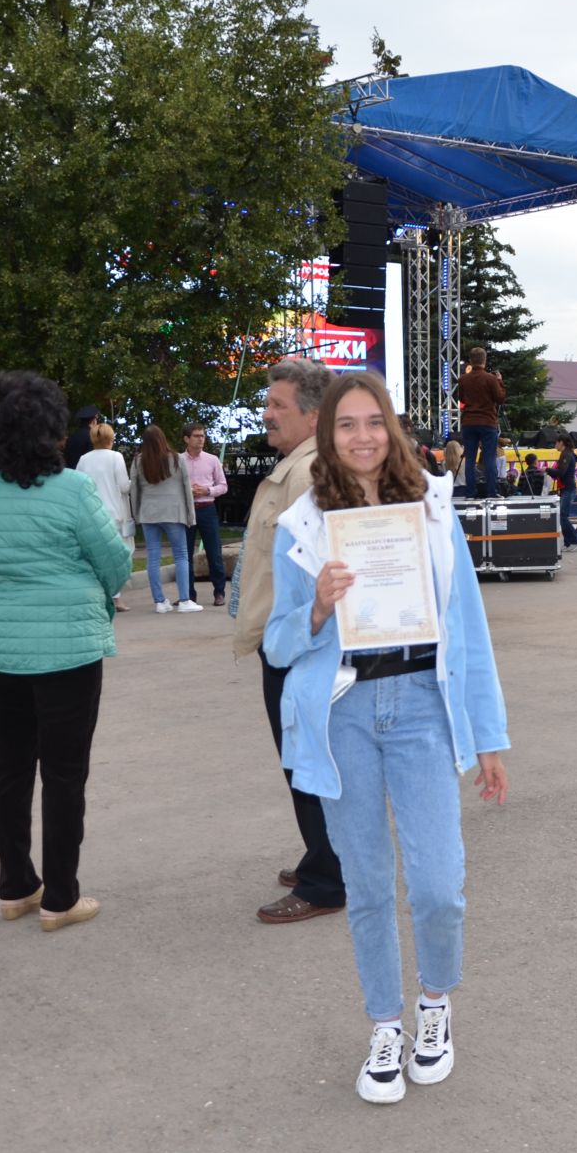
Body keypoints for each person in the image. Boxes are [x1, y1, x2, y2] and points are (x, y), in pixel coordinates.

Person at [264, 371, 508, 1105]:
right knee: (368, 887)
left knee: (438, 887)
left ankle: (434, 1003)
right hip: (344, 716)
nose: (363, 436)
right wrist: (315, 607)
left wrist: (488, 735)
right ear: (327, 436)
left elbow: (469, 629)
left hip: (423, 710)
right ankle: (384, 1023)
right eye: (347, 425)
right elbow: (278, 646)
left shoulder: (433, 508)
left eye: (375, 422)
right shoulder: (301, 525)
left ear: (392, 429)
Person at [0, 370, 133, 932]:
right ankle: (60, 896)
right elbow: (116, 563)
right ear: (53, 432)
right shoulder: (73, 490)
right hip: (66, 651)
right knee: (63, 772)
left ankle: (16, 886)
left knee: (10, 764)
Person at [226, 359, 350, 924]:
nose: (267, 413)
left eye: (278, 405)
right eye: (268, 402)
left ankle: (328, 879)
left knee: (306, 761)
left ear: (312, 414)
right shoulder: (296, 468)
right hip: (287, 638)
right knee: (302, 760)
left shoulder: (308, 476)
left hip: (300, 643)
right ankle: (322, 856)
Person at [130, 426, 200, 613]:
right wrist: (190, 514)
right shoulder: (177, 459)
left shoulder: (138, 461)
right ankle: (185, 600)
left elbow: (134, 490)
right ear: (163, 439)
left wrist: (136, 514)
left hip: (148, 513)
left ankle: (159, 602)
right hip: (173, 512)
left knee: (153, 556)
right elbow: (186, 488)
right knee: (181, 555)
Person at [74, 423, 133, 610]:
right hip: (113, 513)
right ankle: (115, 597)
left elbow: (78, 485)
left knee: (94, 557)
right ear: (111, 439)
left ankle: (97, 595)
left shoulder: (83, 459)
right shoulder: (116, 457)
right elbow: (124, 486)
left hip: (91, 514)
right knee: (114, 557)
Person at [181, 424, 230, 606]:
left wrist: (207, 490)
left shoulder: (212, 460)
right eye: (196, 436)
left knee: (213, 552)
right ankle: (188, 594)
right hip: (187, 510)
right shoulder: (178, 461)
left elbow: (223, 486)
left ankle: (219, 592)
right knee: (185, 553)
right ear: (186, 439)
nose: (201, 439)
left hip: (207, 509)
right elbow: (172, 486)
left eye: (202, 436)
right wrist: (188, 491)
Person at [458, 349, 505, 498]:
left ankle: (470, 493)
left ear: (471, 361)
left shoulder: (463, 379)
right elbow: (500, 398)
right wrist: (499, 381)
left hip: (469, 422)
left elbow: (462, 399)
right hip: (487, 422)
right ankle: (491, 492)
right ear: (484, 360)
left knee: (470, 459)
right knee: (490, 459)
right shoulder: (490, 379)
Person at [553, 432, 577, 548]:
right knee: (562, 516)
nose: (555, 445)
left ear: (561, 443)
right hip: (566, 488)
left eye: (556, 442)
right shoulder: (566, 453)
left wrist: (547, 470)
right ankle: (568, 543)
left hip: (569, 489)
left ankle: (576, 540)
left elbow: (561, 472)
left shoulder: (567, 455)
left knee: (562, 516)